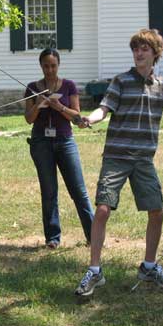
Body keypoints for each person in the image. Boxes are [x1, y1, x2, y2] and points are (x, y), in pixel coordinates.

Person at [74, 29, 163, 297]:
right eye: (135, 49)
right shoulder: (121, 81)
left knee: (157, 211)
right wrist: (91, 119)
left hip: (143, 159)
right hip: (116, 156)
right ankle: (94, 271)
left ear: (155, 53)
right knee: (103, 209)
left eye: (144, 49)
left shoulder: (162, 85)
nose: (138, 53)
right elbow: (104, 109)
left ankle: (149, 266)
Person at [24, 48, 94, 249]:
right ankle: (53, 238)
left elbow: (77, 116)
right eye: (46, 66)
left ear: (58, 65)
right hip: (41, 143)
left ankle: (93, 235)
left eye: (53, 65)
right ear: (41, 66)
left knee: (78, 190)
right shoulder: (32, 88)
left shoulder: (69, 86)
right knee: (49, 191)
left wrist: (59, 107)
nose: (49, 69)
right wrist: (38, 104)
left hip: (65, 141)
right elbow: (29, 119)